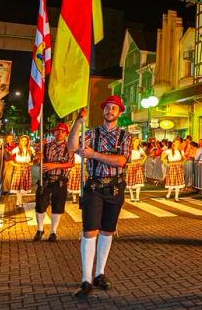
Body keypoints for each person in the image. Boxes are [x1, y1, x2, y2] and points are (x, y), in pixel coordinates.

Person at [68, 95, 132, 298]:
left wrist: (93, 154)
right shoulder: (91, 132)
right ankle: (86, 279)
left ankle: (100, 274)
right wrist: (78, 123)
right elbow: (71, 148)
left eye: (114, 108)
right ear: (103, 111)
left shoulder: (125, 136)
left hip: (114, 187)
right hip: (94, 187)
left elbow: (120, 161)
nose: (110, 111)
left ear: (119, 113)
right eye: (107, 108)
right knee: (89, 232)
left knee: (107, 231)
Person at [33, 123, 74, 242]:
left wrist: (53, 165)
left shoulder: (69, 147)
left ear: (66, 134)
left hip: (60, 181)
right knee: (40, 205)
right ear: (54, 132)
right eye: (57, 131)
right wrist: (37, 158)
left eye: (62, 131)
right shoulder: (45, 146)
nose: (59, 133)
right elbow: (36, 162)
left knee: (58, 207)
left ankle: (53, 232)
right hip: (45, 180)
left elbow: (70, 163)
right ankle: (40, 229)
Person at [10, 135, 35, 207]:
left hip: (26, 168)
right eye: (23, 140)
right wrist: (14, 164)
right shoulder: (17, 148)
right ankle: (19, 201)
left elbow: (36, 158)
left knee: (24, 186)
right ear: (20, 141)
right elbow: (8, 156)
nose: (24, 142)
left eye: (25, 140)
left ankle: (19, 201)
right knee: (18, 186)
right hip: (19, 167)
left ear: (28, 141)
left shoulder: (31, 149)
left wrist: (31, 163)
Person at [126, 137, 147, 202]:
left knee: (139, 181)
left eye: (138, 141)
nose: (137, 143)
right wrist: (127, 164)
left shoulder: (140, 149)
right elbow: (125, 157)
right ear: (133, 142)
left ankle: (137, 197)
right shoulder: (129, 149)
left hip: (138, 165)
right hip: (131, 165)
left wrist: (142, 161)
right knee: (130, 181)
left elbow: (145, 156)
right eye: (136, 141)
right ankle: (132, 196)